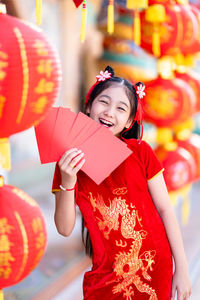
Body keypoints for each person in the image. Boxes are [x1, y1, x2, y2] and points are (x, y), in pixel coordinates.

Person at [52, 66, 191, 300]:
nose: (109, 112)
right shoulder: (69, 161)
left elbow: (165, 209)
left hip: (155, 269)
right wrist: (69, 179)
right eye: (103, 102)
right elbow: (64, 229)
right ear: (89, 106)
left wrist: (183, 270)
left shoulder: (141, 153)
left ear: (128, 122)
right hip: (106, 277)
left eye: (120, 108)